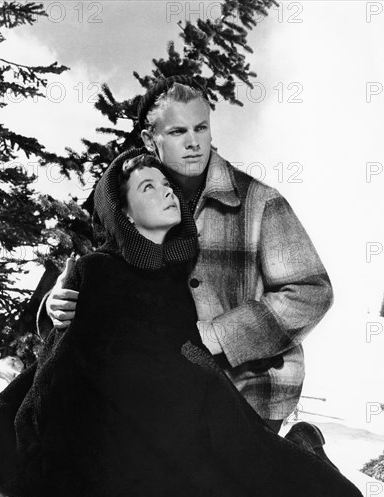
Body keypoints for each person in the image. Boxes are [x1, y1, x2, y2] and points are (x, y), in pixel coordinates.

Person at [0, 150, 384, 497]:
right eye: (147, 188)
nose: (166, 191)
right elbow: (60, 379)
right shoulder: (98, 270)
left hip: (205, 418)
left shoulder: (176, 279)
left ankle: (305, 456)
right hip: (128, 445)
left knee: (299, 494)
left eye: (166, 184)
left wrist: (196, 372)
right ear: (125, 215)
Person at [40, 77, 333, 443]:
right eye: (178, 131)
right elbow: (108, 270)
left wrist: (213, 336)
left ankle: (304, 457)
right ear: (150, 140)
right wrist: (57, 304)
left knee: (218, 489)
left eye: (201, 127)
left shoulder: (260, 202)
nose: (194, 142)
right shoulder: (138, 194)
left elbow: (310, 291)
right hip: (169, 383)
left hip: (254, 383)